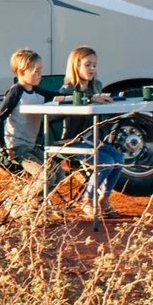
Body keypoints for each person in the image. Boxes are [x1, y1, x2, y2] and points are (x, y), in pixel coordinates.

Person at [61, 44, 127, 222]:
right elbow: (63, 102)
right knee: (105, 162)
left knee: (118, 159)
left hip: (92, 138)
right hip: (72, 140)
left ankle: (103, 199)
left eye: (94, 65)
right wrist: (90, 99)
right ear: (76, 66)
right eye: (87, 64)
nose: (91, 69)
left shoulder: (96, 85)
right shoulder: (67, 89)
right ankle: (86, 199)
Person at [0, 47, 47, 170]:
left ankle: (39, 190)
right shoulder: (15, 92)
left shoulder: (37, 92)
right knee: (45, 175)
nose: (40, 75)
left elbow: (57, 97)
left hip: (31, 146)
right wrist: (3, 147)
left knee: (58, 172)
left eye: (40, 70)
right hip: (17, 147)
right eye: (36, 71)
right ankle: (30, 190)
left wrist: (87, 97)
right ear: (22, 72)